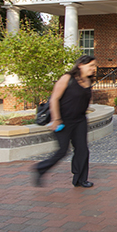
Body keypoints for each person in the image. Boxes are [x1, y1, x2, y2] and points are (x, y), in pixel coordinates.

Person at [33, 55, 97, 188]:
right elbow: (54, 99)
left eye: (94, 65)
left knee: (82, 150)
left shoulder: (89, 81)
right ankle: (40, 168)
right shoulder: (67, 78)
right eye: (90, 65)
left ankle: (80, 179)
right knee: (63, 151)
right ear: (80, 65)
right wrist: (56, 119)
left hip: (80, 120)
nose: (93, 68)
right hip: (63, 121)